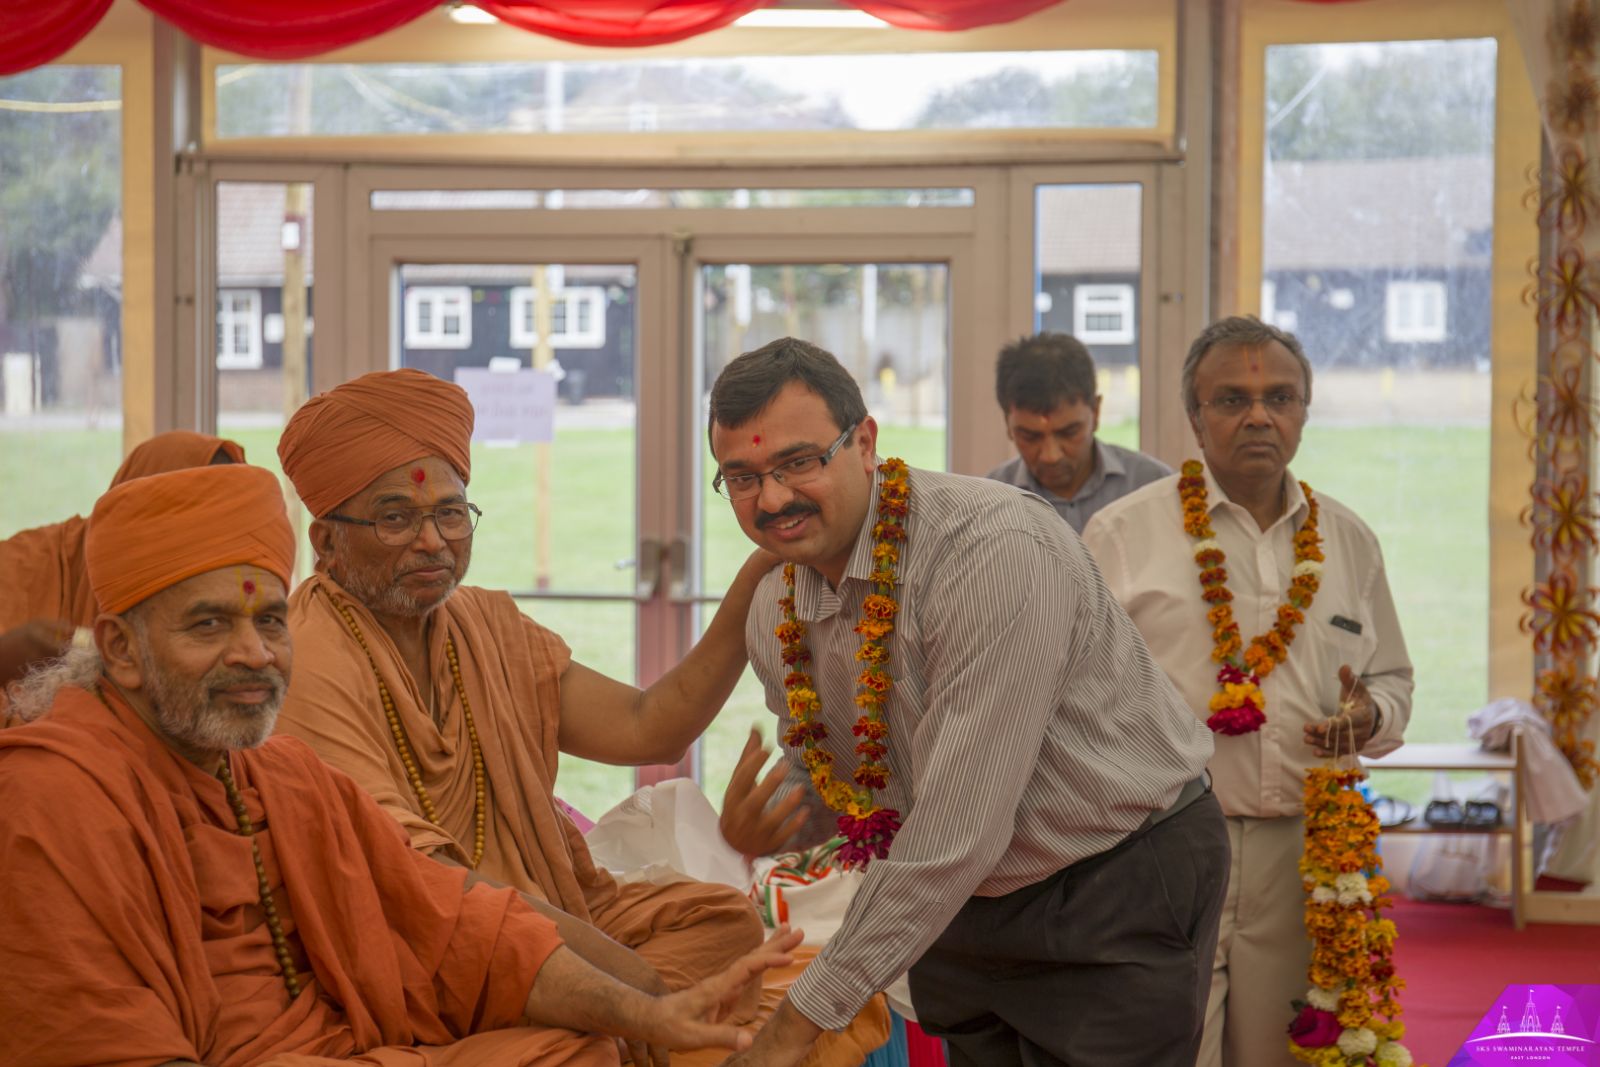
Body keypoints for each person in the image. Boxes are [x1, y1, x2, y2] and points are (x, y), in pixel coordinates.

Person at [0, 462, 794, 1066]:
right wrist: (637, 999)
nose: (252, 654)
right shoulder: (55, 797)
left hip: (356, 1036)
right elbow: (94, 1034)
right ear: (117, 649)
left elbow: (458, 921)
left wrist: (643, 1010)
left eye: (266, 620)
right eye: (207, 625)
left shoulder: (277, 774)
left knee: (586, 1044)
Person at [707, 337, 1228, 1067]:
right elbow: (856, 786)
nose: (771, 499)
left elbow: (959, 828)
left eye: (798, 462)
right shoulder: (776, 609)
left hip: (1113, 879)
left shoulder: (990, 551)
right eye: (741, 476)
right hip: (964, 908)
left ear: (864, 442)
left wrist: (796, 1024)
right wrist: (780, 821)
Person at [273, 369, 778, 1028]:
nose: (433, 541)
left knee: (722, 921)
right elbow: (418, 879)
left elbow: (647, 726)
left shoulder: (484, 626)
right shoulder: (309, 656)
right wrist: (632, 990)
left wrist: (760, 572)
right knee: (604, 1006)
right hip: (429, 935)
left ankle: (595, 1021)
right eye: (396, 516)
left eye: (450, 512)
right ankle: (596, 1024)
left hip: (534, 912)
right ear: (326, 541)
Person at [1081, 316, 1414, 1067]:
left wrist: (1370, 716)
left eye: (1280, 396)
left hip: (1302, 852)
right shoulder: (1123, 534)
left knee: (1280, 1051)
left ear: (1303, 411)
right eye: (1232, 398)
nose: (1259, 415)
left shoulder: (1349, 540)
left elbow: (1393, 678)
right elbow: (1075, 695)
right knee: (1166, 1047)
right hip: (1161, 843)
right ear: (1195, 418)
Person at [0, 430, 244, 700]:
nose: (207, 542)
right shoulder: (26, 565)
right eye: (191, 517)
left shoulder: (233, 583)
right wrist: (7, 655)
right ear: (139, 505)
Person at [985, 332, 1170, 533]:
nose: (1051, 456)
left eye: (1069, 432)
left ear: (1096, 412)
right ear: (1007, 423)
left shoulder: (1154, 488)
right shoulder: (987, 504)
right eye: (1030, 436)